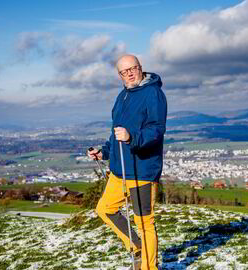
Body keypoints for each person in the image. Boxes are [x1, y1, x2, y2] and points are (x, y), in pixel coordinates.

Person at [87, 54, 167, 270]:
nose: (129, 73)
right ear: (120, 75)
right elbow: (115, 134)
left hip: (142, 170)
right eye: (124, 71)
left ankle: (148, 267)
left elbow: (156, 130)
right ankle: (138, 248)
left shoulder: (153, 93)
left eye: (133, 68)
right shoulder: (122, 96)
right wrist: (104, 152)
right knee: (105, 209)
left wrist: (132, 137)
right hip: (119, 169)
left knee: (144, 223)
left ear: (140, 68)